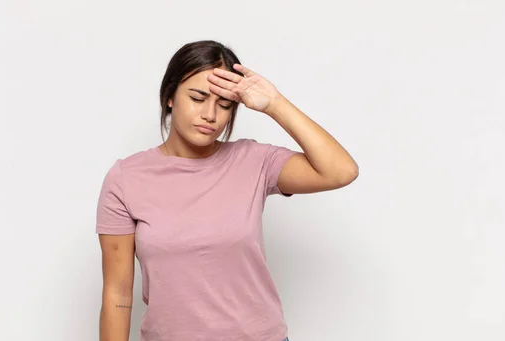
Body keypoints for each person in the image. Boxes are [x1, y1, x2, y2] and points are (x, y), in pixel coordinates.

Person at [96, 40, 359, 341]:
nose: (211, 115)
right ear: (170, 97)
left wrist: (275, 103)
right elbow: (117, 292)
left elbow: (341, 171)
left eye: (224, 105)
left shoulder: (255, 161)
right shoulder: (126, 178)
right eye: (197, 98)